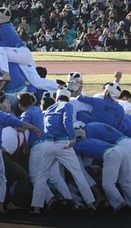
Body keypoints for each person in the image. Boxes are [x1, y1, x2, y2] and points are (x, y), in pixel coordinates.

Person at [30, 87, 98, 215]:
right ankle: (91, 205)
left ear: (57, 97)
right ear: (67, 97)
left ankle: (36, 208)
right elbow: (67, 121)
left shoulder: (50, 108)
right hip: (63, 144)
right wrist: (72, 138)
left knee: (41, 176)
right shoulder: (67, 105)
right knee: (78, 174)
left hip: (48, 144)